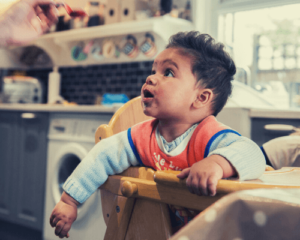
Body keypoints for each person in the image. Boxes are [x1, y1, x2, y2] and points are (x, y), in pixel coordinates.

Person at [49, 31, 266, 238]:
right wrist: (70, 200)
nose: (151, 78)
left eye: (168, 73)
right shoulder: (142, 137)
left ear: (201, 98)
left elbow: (253, 153)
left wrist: (217, 163)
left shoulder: (209, 136)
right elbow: (102, 154)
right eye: (154, 71)